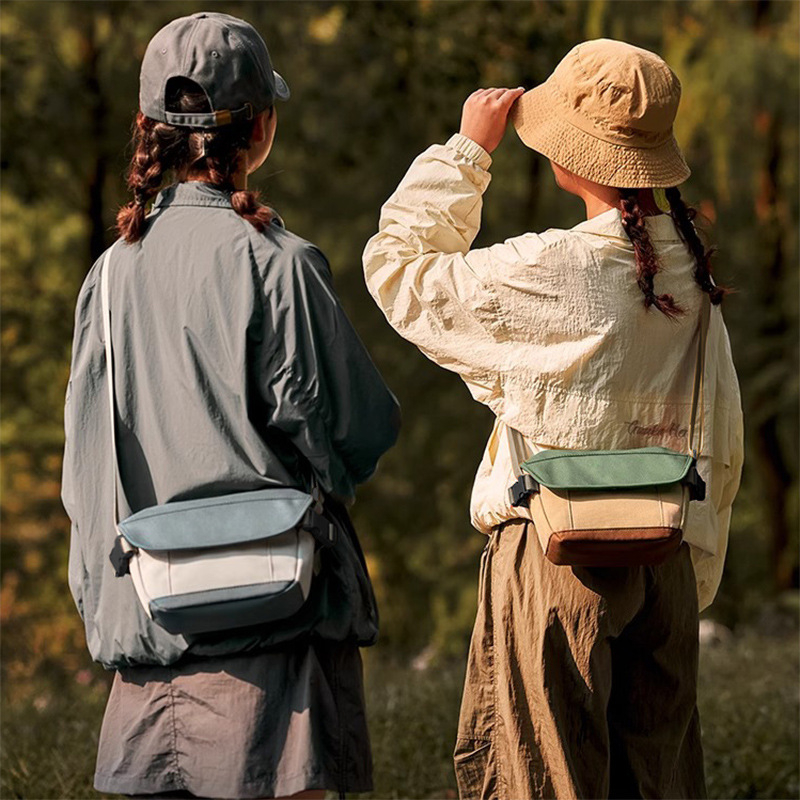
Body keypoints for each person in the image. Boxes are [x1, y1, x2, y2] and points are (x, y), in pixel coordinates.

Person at [362, 38, 744, 799]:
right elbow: (722, 442)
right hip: (664, 559)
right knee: (659, 783)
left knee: (543, 782)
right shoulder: (691, 271)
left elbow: (400, 270)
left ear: (579, 155)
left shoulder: (548, 269)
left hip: (553, 557)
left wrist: (467, 151)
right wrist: (689, 573)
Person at [61, 12, 400, 800]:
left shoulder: (107, 277)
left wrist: (111, 609)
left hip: (149, 657)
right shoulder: (280, 263)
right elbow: (357, 435)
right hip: (275, 658)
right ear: (262, 129)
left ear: (149, 130)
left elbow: (85, 479)